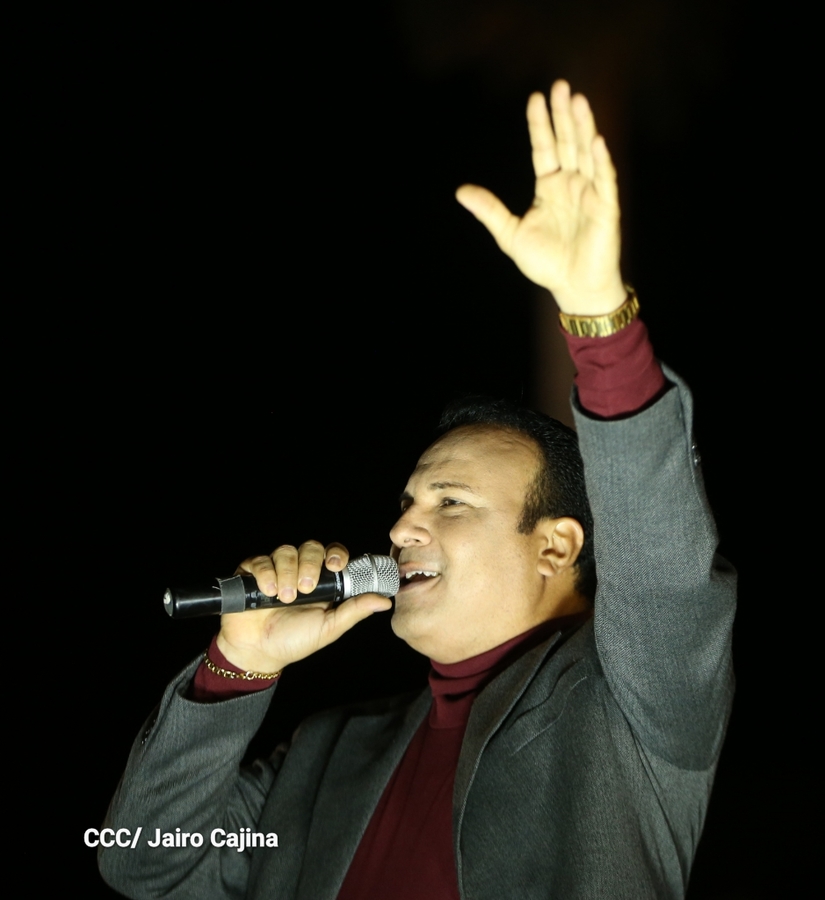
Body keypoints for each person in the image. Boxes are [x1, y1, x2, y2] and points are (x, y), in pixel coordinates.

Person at [99, 81, 735, 899]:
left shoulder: (628, 715)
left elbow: (662, 568)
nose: (401, 528)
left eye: (450, 502)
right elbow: (142, 860)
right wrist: (238, 666)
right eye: (407, 503)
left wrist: (595, 315)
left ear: (555, 544)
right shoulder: (325, 753)